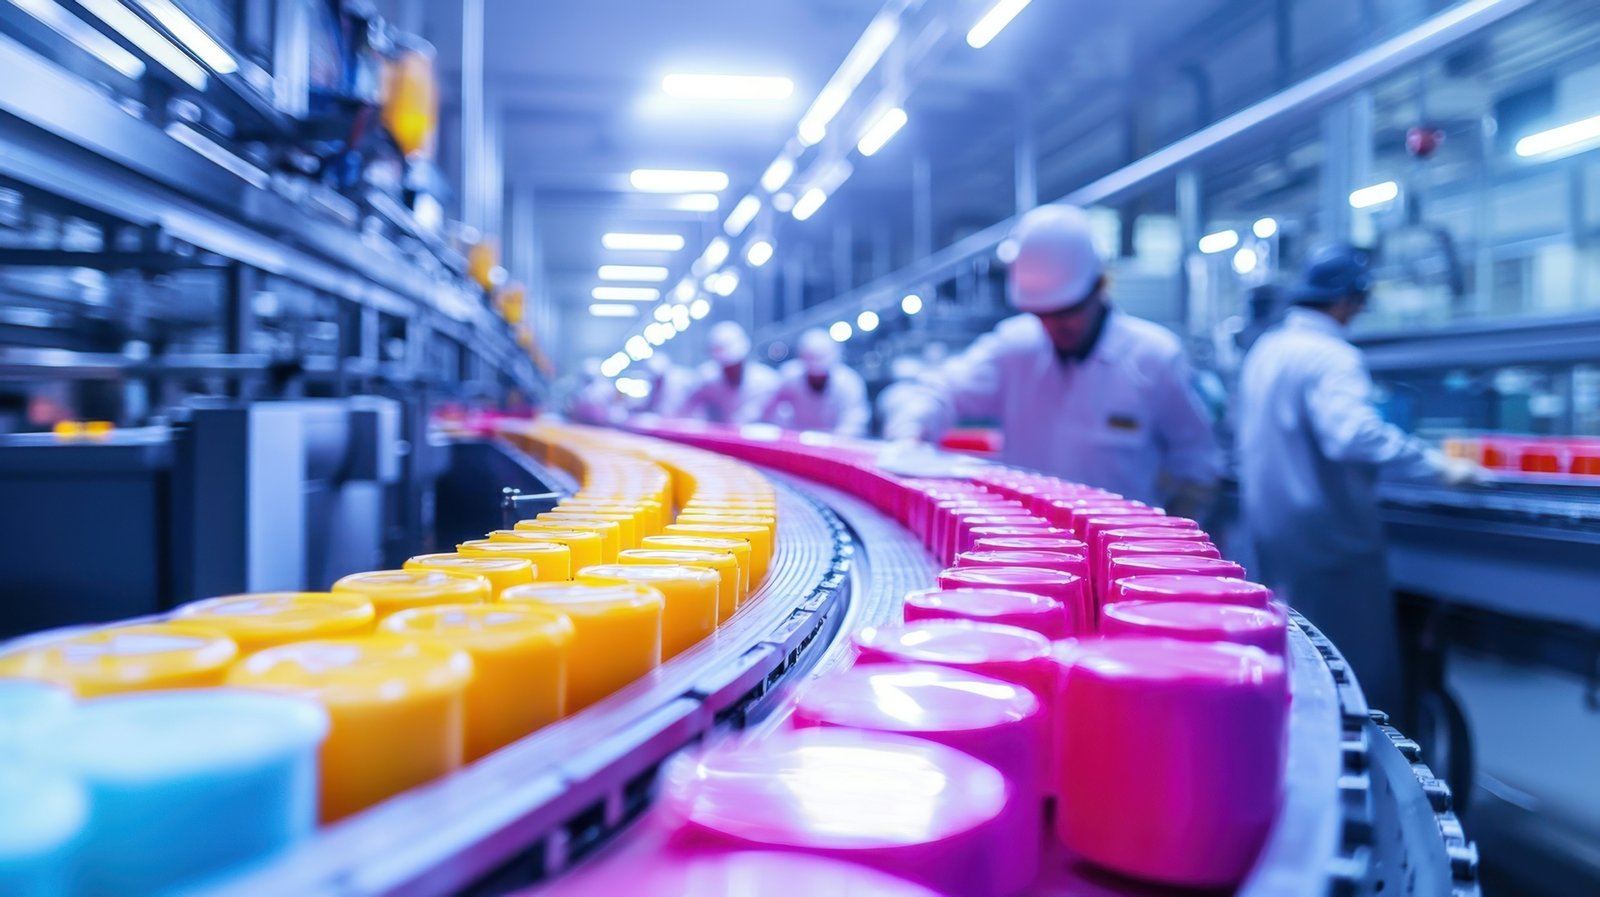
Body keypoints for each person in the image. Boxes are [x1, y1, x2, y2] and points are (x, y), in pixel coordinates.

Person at [1237, 244, 1483, 721]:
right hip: (1332, 542)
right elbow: (1353, 436)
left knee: (1294, 657)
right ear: (1349, 302)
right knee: (1352, 671)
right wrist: (1439, 467)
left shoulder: (1268, 348)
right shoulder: (1332, 356)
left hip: (1274, 532)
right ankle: (1367, 775)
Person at [883, 204, 1221, 516]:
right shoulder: (1015, 347)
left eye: (1067, 312)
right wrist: (910, 435)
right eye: (1042, 314)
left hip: (1121, 562)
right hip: (1032, 553)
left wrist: (1167, 542)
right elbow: (940, 390)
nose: (1053, 326)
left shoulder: (1153, 358)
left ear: (1100, 285)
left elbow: (1198, 465)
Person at [760, 328, 870, 436]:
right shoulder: (790, 376)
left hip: (835, 443)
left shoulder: (849, 382)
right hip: (797, 440)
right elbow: (768, 408)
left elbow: (855, 420)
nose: (816, 377)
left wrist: (836, 440)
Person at [680, 321, 780, 425]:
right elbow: (685, 411)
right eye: (725, 366)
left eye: (734, 365)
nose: (731, 370)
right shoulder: (705, 380)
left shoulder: (767, 382)